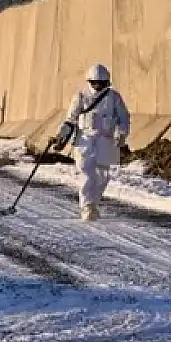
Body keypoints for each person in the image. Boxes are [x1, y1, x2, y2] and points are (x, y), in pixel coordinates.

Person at [50, 63, 131, 222]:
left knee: (103, 176)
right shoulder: (80, 96)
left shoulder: (114, 97)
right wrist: (60, 136)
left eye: (101, 83)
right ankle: (86, 206)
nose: (98, 86)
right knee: (87, 174)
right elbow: (70, 120)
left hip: (106, 141)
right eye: (95, 83)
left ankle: (93, 203)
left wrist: (122, 134)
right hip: (84, 141)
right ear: (90, 81)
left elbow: (124, 118)